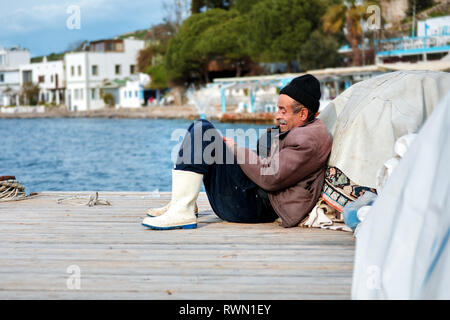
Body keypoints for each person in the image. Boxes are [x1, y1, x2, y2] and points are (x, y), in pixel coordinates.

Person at [142, 74, 332, 230]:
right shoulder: (300, 130)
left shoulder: (308, 140)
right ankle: (181, 203)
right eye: (277, 109)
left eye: (283, 110)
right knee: (200, 127)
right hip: (252, 196)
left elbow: (271, 176)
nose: (277, 115)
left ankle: (182, 209)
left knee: (204, 130)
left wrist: (235, 150)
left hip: (255, 207)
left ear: (303, 114)